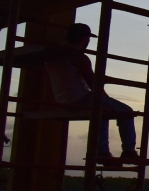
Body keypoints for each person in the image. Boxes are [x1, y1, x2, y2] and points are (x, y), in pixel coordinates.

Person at [44, 23, 140, 166]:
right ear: (84, 39)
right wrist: (106, 99)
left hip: (62, 100)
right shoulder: (79, 57)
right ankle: (127, 151)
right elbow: (93, 83)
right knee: (126, 111)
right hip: (81, 98)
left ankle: (102, 150)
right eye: (88, 39)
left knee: (102, 111)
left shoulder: (53, 55)